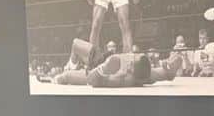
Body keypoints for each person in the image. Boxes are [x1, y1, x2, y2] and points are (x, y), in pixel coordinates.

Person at [52, 38, 181, 88]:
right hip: (103, 59)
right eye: (134, 57)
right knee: (76, 43)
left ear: (131, 70)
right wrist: (169, 66)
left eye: (132, 62)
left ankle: (67, 69)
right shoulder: (146, 72)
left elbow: (92, 80)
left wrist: (104, 68)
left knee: (65, 76)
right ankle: (71, 66)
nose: (131, 58)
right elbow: (167, 74)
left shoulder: (120, 78)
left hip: (95, 70)